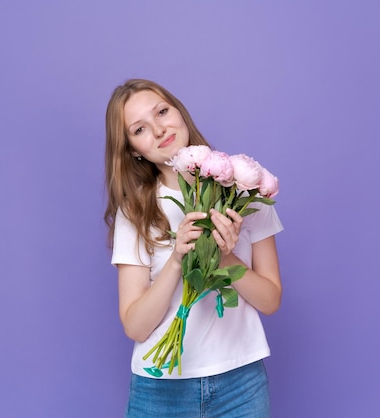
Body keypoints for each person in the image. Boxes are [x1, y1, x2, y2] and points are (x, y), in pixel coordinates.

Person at [104, 78, 283, 417]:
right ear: (132, 149)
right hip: (160, 391)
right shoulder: (136, 211)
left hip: (241, 384)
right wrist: (176, 259)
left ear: (179, 111)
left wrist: (225, 257)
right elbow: (136, 327)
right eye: (140, 128)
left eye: (162, 111)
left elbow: (270, 299)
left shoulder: (246, 191)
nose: (159, 129)